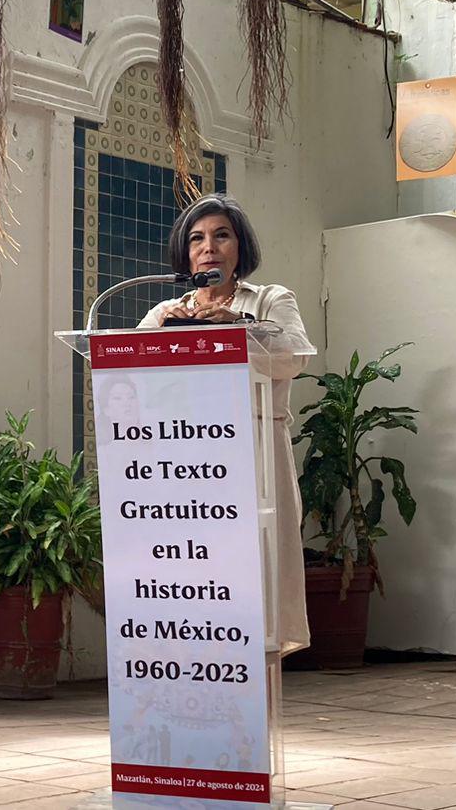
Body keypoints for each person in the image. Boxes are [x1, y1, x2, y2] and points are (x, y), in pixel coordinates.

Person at [139, 192, 314, 654]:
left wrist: (238, 323)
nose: (208, 247)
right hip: (186, 460)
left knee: (256, 579)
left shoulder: (271, 299)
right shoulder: (165, 313)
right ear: (185, 252)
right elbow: (130, 376)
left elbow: (294, 355)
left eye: (221, 235)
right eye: (196, 239)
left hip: (254, 452)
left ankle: (257, 693)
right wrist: (160, 335)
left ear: (240, 247)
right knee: (197, 577)